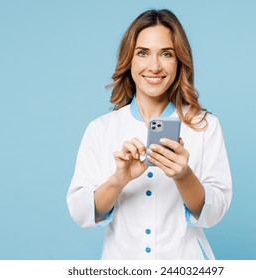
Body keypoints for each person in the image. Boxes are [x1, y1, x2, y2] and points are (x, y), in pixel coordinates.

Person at [67, 9, 232, 260]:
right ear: (129, 60)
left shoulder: (204, 125)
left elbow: (214, 212)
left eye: (166, 54)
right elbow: (81, 213)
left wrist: (183, 176)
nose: (154, 66)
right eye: (142, 53)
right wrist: (119, 180)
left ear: (179, 62)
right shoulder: (101, 129)